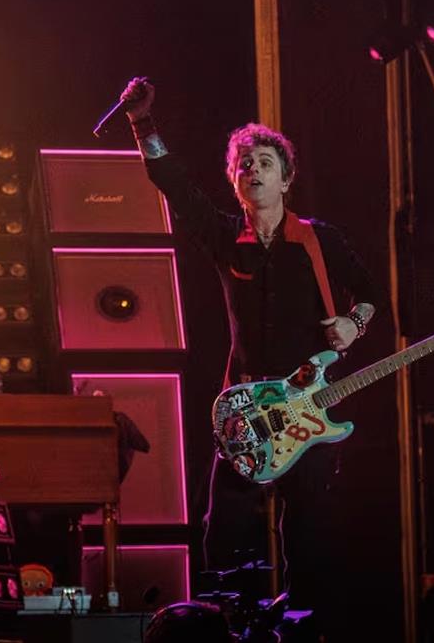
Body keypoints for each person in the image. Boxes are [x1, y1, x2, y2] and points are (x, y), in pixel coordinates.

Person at [118, 77, 380, 619]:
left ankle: (304, 625)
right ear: (235, 183)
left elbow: (374, 294)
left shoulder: (319, 240)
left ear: (286, 179)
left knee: (309, 530)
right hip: (243, 411)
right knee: (224, 531)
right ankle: (222, 626)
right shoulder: (222, 236)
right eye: (244, 164)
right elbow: (173, 182)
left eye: (264, 162)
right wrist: (142, 123)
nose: (253, 170)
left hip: (309, 409)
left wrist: (355, 322)